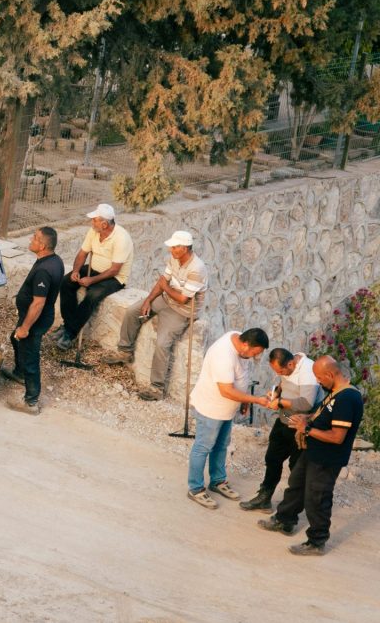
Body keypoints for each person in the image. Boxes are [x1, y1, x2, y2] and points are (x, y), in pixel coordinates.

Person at [258, 356, 363, 555]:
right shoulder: (335, 391)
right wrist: (308, 417)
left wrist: (306, 429)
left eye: (319, 377)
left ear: (331, 374)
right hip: (313, 452)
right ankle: (284, 521)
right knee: (296, 486)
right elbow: (324, 414)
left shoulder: (348, 398)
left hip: (327, 458)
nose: (317, 381)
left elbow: (337, 436)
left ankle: (317, 541)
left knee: (317, 498)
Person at [103, 231, 208, 401]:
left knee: (162, 343)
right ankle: (125, 351)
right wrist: (148, 301)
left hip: (182, 311)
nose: (171, 250)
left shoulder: (197, 269)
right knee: (132, 311)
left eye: (175, 247)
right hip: (165, 300)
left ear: (185, 248)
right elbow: (162, 282)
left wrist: (164, 286)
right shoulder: (174, 259)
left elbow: (182, 299)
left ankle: (156, 388)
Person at [186, 328, 271, 510]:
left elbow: (241, 376)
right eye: (255, 353)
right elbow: (226, 390)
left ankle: (217, 481)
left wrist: (244, 397)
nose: (255, 357)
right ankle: (195, 488)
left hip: (226, 409)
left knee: (222, 444)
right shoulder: (223, 355)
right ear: (246, 345)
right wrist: (255, 399)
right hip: (211, 407)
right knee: (203, 446)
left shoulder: (239, 339)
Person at [239, 348, 323, 512]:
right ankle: (264, 498)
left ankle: (290, 512)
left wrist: (280, 402)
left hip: (300, 425)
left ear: (291, 364)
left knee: (296, 468)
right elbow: (282, 383)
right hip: (284, 420)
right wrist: (276, 392)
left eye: (280, 371)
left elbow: (306, 403)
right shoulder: (289, 361)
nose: (279, 373)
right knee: (272, 458)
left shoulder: (308, 371)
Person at [54, 203, 133, 351]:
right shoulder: (94, 231)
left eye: (94, 220)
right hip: (93, 269)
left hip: (114, 278)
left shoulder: (122, 238)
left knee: (92, 296)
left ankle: (70, 334)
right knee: (66, 282)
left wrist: (91, 280)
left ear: (104, 224)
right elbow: (82, 253)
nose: (92, 222)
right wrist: (76, 271)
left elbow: (114, 270)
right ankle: (67, 324)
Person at [2, 227, 64, 415]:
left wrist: (26, 327)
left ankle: (31, 402)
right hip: (34, 315)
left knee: (30, 356)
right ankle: (19, 373)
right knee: (15, 338)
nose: (31, 239)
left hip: (35, 319)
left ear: (42, 245)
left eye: (35, 238)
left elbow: (38, 304)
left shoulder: (44, 270)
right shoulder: (55, 260)